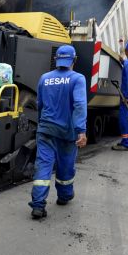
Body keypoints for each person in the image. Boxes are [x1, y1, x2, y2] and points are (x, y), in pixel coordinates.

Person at [29, 45, 88, 219]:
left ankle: (38, 206)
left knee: (43, 166)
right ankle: (64, 196)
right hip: (67, 132)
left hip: (45, 129)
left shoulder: (44, 78)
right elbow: (79, 105)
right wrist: (81, 131)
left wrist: (41, 123)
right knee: (66, 166)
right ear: (74, 60)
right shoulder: (77, 79)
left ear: (56, 60)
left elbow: (40, 104)